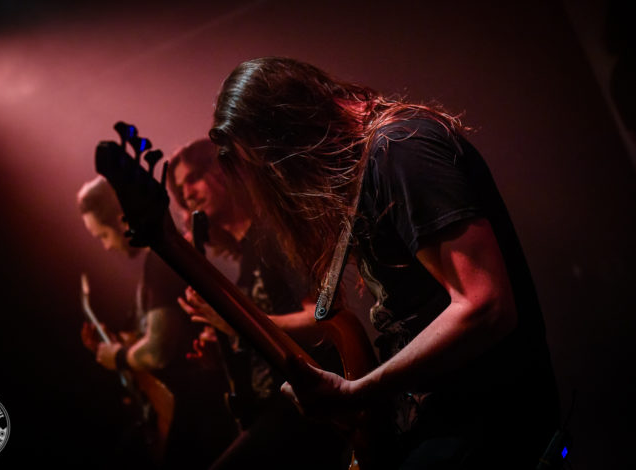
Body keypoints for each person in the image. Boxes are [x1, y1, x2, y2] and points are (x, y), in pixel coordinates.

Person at [207, 57, 560, 469]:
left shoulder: (402, 149)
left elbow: (487, 306)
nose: (282, 179)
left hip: (489, 421)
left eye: (275, 163)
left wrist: (358, 392)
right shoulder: (373, 163)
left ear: (290, 130)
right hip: (443, 417)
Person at [167, 139, 352, 470]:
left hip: (307, 406)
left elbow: (325, 319)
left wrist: (238, 322)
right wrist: (224, 345)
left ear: (222, 171)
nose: (188, 194)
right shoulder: (245, 257)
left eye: (193, 178)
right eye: (180, 191)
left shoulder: (272, 234)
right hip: (273, 407)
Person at [77, 175, 237, 469]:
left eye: (103, 235)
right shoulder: (158, 260)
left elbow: (157, 350)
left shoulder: (159, 262)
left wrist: (118, 356)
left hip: (198, 414)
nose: (106, 246)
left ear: (122, 220)